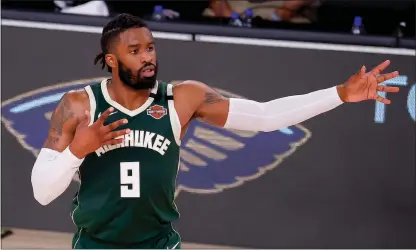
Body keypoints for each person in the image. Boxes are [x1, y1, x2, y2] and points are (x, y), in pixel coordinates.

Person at [30, 13, 399, 249]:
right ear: (112, 60)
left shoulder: (183, 98)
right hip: (96, 245)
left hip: (159, 244)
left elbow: (266, 117)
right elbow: (42, 192)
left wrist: (339, 94)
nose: (148, 57)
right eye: (135, 50)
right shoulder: (79, 105)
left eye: (151, 48)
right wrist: (79, 149)